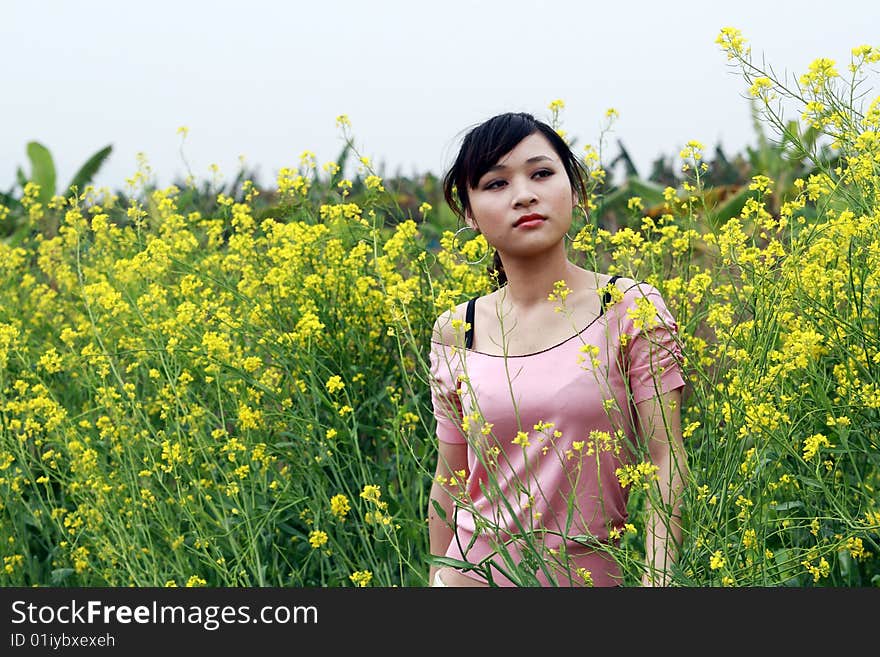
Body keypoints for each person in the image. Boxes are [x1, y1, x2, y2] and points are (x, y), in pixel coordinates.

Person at [427, 112, 688, 587]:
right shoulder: (455, 331)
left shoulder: (629, 308)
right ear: (467, 212)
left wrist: (658, 580)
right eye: (495, 183)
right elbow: (449, 481)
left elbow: (665, 459)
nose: (524, 194)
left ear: (575, 188)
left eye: (541, 173)